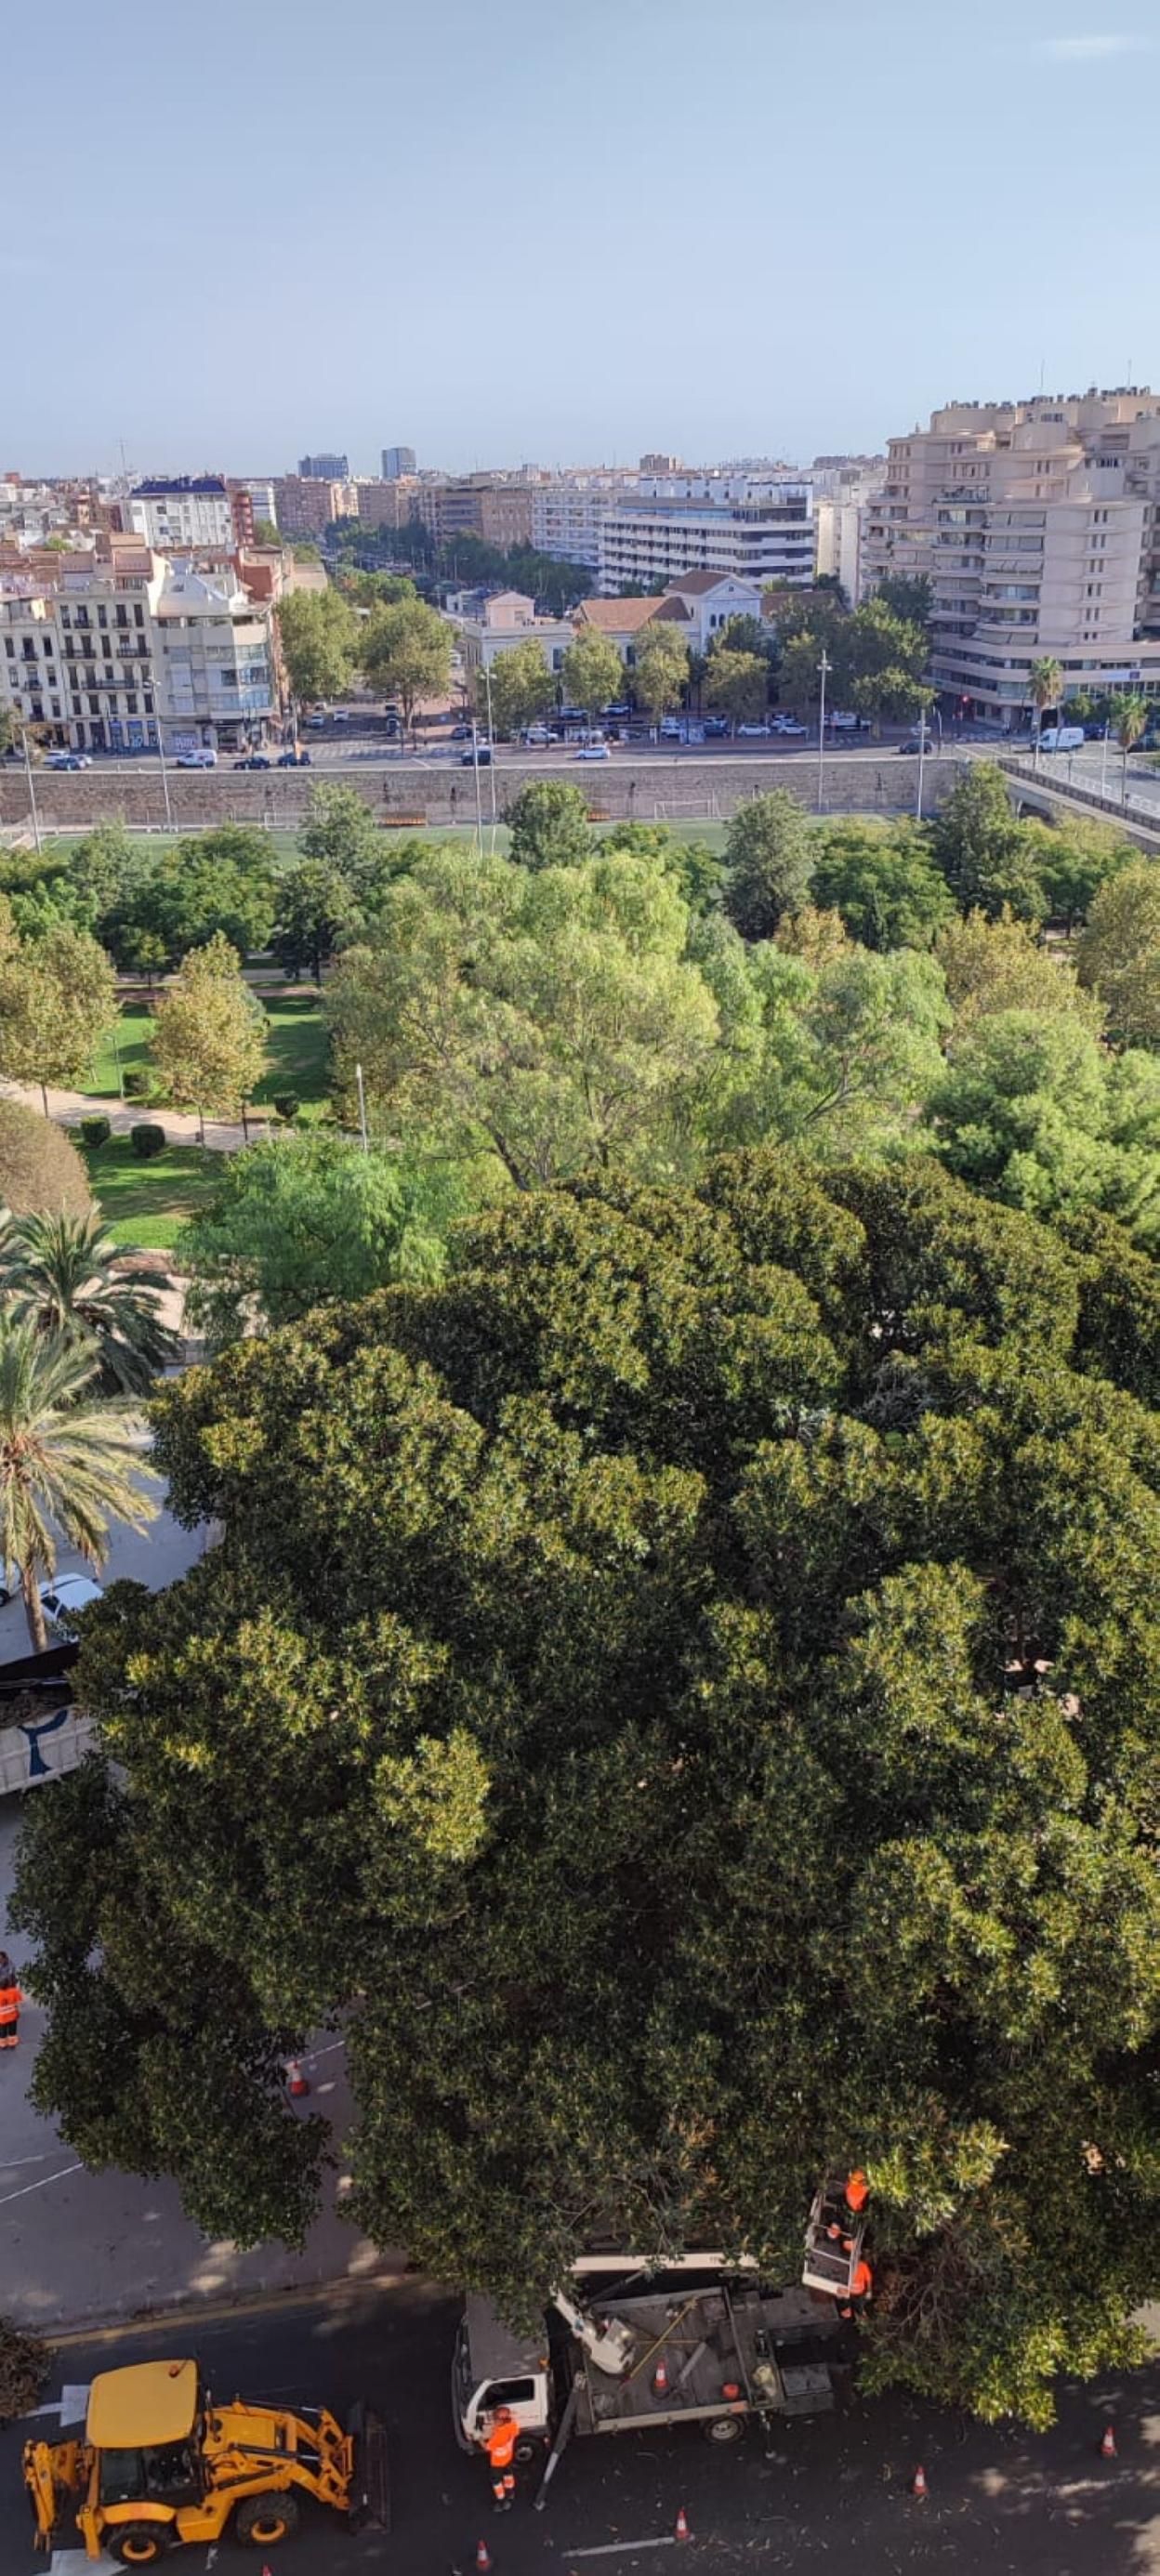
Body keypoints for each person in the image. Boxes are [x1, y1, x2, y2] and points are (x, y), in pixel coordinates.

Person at [481, 2406, 521, 2513]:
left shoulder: (498, 2436)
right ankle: (510, 2492)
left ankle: (502, 2501)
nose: (494, 2420)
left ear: (501, 2421)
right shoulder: (512, 2425)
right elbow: (516, 2432)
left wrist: (479, 2437)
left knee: (497, 2483)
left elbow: (486, 2447)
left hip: (497, 2463)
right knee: (508, 2476)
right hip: (508, 2457)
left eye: (495, 2419)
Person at [0, 1952, 23, 2051]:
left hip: (2, 2016)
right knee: (10, 2030)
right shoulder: (13, 1992)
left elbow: (12, 1977)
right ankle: (9, 2044)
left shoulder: (10, 1966)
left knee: (3, 2030)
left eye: (1, 1959)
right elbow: (17, 2000)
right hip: (11, 2015)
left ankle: (4, 2045)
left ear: (5, 1958)